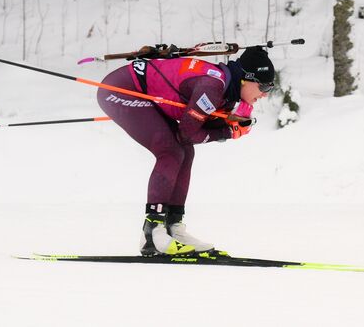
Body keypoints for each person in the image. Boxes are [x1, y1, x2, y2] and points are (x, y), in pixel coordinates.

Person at [99, 46, 277, 255]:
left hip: (143, 90)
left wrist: (229, 125)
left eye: (270, 89)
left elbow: (195, 127)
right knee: (171, 150)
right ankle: (152, 233)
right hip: (120, 88)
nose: (265, 95)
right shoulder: (212, 87)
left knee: (184, 151)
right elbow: (187, 133)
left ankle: (173, 227)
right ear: (246, 79)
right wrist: (228, 132)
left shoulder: (225, 89)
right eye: (264, 87)